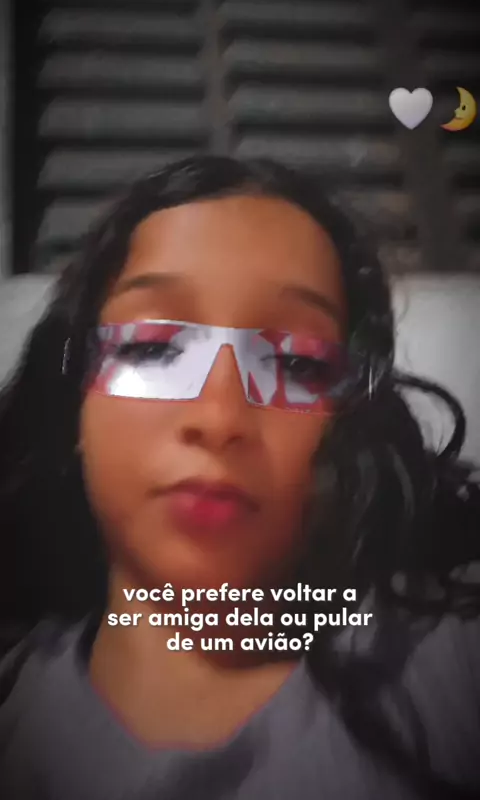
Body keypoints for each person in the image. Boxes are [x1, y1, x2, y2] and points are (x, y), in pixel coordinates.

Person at [0, 156, 479, 800]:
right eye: (151, 347)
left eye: (297, 363)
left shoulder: (447, 660)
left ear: (351, 424)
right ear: (73, 404)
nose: (220, 417)